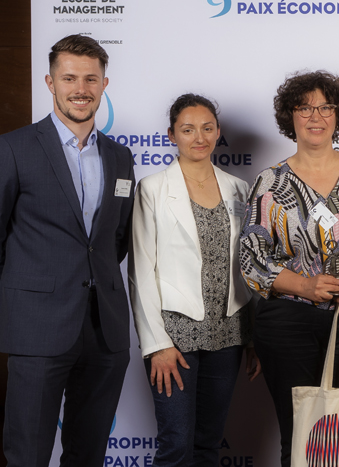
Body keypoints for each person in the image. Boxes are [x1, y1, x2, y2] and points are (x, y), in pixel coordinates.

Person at [240, 70, 339, 466]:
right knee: (301, 436)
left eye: (325, 107)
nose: (315, 116)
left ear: (338, 114)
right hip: (289, 323)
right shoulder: (270, 181)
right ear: (289, 117)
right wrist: (305, 286)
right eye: (304, 107)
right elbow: (253, 261)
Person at [0, 34, 134, 466]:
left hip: (104, 329)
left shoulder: (120, 157)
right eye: (70, 78)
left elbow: (115, 239)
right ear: (50, 82)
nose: (81, 88)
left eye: (91, 79)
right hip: (37, 327)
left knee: (88, 454)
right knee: (28, 454)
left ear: (104, 84)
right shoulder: (14, 148)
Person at [128, 94, 261, 466]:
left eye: (207, 128)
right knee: (175, 446)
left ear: (218, 133)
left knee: (207, 444)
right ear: (172, 135)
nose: (198, 137)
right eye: (188, 130)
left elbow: (249, 266)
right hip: (174, 336)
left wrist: (251, 337)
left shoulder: (238, 187)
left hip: (229, 333)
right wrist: (156, 344)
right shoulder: (152, 188)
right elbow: (141, 270)